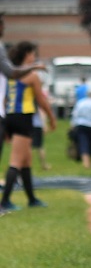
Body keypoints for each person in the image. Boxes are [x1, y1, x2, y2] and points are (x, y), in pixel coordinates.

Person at [2, 41, 56, 212]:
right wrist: (52, 118)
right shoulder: (32, 76)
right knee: (16, 161)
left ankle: (32, 199)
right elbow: (41, 100)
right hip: (23, 118)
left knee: (26, 160)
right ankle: (5, 201)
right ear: (26, 54)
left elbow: (5, 99)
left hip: (10, 117)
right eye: (32, 53)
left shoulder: (11, 74)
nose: (34, 57)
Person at [70, 92, 91, 169]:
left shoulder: (80, 103)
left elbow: (75, 114)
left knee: (83, 143)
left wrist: (72, 125)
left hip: (81, 125)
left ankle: (85, 163)